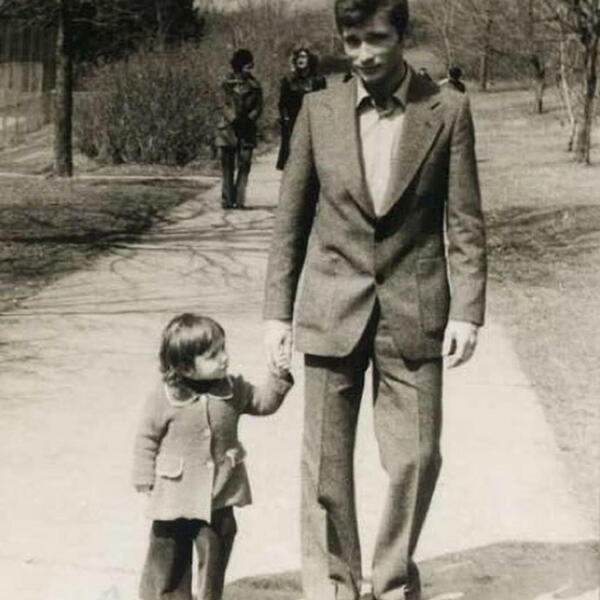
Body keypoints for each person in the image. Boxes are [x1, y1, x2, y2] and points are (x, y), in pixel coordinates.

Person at [262, 1, 486, 599]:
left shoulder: (448, 110)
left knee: (417, 456)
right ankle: (335, 584)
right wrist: (276, 313)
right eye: (351, 40)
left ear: (402, 36)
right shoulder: (317, 111)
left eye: (376, 38)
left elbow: (465, 221)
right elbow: (290, 222)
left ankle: (391, 580)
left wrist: (467, 311)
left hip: (416, 309)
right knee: (325, 467)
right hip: (331, 306)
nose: (362, 53)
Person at [133, 313, 292, 600]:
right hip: (174, 495)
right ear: (185, 366)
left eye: (223, 349)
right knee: (168, 561)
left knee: (215, 556)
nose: (224, 358)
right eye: (212, 355)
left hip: (219, 494)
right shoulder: (164, 397)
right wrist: (144, 479)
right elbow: (147, 438)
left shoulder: (233, 389)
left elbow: (264, 402)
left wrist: (278, 376)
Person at [215, 49, 263, 209]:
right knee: (227, 167)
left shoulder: (255, 86)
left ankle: (240, 199)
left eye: (251, 66)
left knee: (244, 166)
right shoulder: (225, 83)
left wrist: (249, 119)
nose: (250, 69)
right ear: (239, 66)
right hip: (227, 130)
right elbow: (221, 104)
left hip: (247, 130)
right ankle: (227, 199)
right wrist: (233, 118)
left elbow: (259, 107)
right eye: (247, 66)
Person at [276, 47, 327, 171]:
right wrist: (285, 120)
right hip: (293, 122)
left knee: (313, 157)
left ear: (309, 60)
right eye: (298, 57)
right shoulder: (288, 80)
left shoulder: (318, 80)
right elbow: (282, 103)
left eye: (303, 57)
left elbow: (324, 103)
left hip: (312, 121)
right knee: (292, 157)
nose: (300, 60)